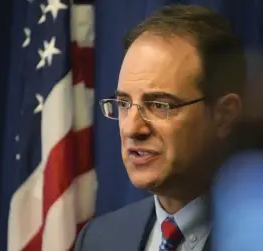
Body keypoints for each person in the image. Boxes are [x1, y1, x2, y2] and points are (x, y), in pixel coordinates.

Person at [75, 4, 246, 251]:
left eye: (159, 105)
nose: (132, 129)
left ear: (224, 115)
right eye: (123, 103)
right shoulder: (99, 238)